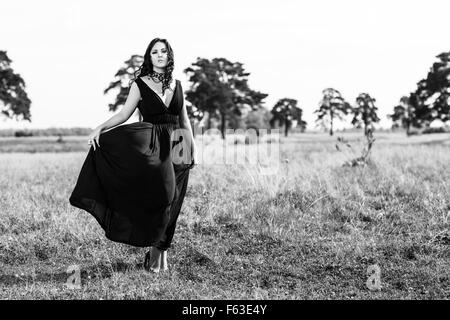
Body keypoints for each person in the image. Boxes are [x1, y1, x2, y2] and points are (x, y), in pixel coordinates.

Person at [69, 38, 196, 273]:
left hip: (178, 146)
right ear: (149, 57)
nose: (160, 55)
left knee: (174, 204)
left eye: (164, 52)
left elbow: (184, 120)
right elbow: (124, 114)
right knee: (165, 199)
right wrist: (100, 129)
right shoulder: (139, 84)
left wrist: (191, 148)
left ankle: (159, 257)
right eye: (155, 52)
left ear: (169, 56)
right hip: (153, 148)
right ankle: (155, 255)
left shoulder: (178, 85)